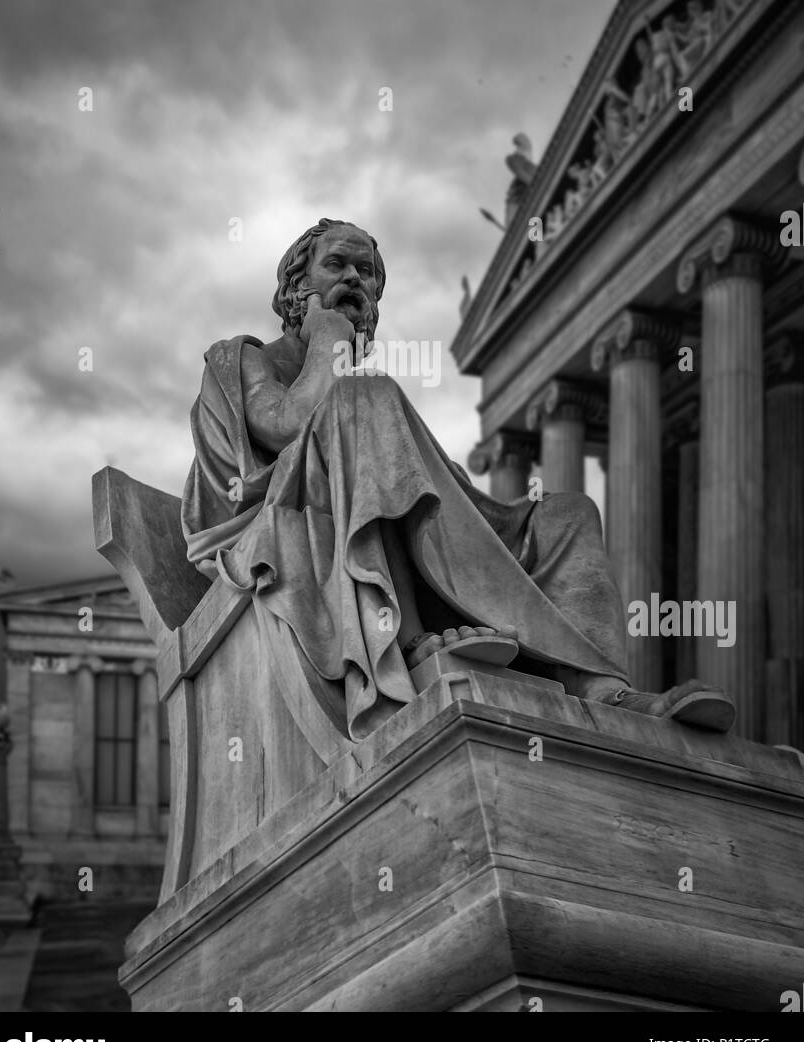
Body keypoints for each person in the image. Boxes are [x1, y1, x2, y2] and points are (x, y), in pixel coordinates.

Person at [182, 218, 735, 741]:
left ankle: (602, 687)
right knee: (363, 392)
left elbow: (423, 477)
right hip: (282, 516)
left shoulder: (360, 397)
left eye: (367, 271)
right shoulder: (242, 360)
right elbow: (285, 425)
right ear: (297, 288)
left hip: (361, 494)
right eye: (337, 265)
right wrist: (328, 335)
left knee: (568, 515)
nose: (355, 278)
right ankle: (409, 636)